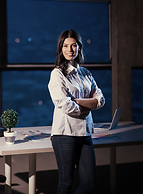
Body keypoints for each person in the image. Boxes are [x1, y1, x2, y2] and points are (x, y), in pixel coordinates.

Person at [48, 29, 105, 194]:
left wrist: (82, 102)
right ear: (60, 48)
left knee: (89, 184)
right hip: (65, 134)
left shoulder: (85, 73)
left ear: (79, 47)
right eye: (65, 46)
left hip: (85, 133)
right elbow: (65, 105)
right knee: (66, 183)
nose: (70, 50)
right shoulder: (57, 74)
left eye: (73, 46)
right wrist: (90, 104)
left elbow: (100, 99)